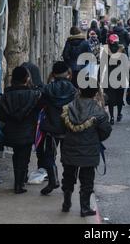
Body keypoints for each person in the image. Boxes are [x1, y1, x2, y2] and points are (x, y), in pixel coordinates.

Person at [60, 86, 112, 216]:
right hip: (89, 151)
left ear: (79, 91)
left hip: (69, 149)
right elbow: (106, 131)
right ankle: (85, 207)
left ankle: (66, 203)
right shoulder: (98, 111)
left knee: (68, 176)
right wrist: (95, 138)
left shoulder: (68, 108)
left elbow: (61, 128)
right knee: (87, 180)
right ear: (95, 93)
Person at [0, 67, 42, 194]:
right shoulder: (33, 95)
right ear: (27, 79)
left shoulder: (6, 95)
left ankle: (19, 181)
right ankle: (19, 183)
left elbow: (1, 114)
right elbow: (37, 112)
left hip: (11, 131)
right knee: (24, 157)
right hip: (28, 131)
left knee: (17, 156)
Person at [38, 62, 77, 195]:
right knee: (68, 156)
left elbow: (40, 104)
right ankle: (68, 183)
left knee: (49, 155)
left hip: (51, 128)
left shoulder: (48, 89)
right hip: (68, 127)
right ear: (67, 74)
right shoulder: (72, 89)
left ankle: (53, 179)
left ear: (53, 73)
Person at [104, 34, 126, 125]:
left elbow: (102, 66)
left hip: (109, 78)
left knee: (110, 99)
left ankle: (112, 117)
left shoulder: (106, 51)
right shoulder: (122, 51)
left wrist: (98, 79)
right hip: (120, 77)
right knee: (120, 98)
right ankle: (119, 114)